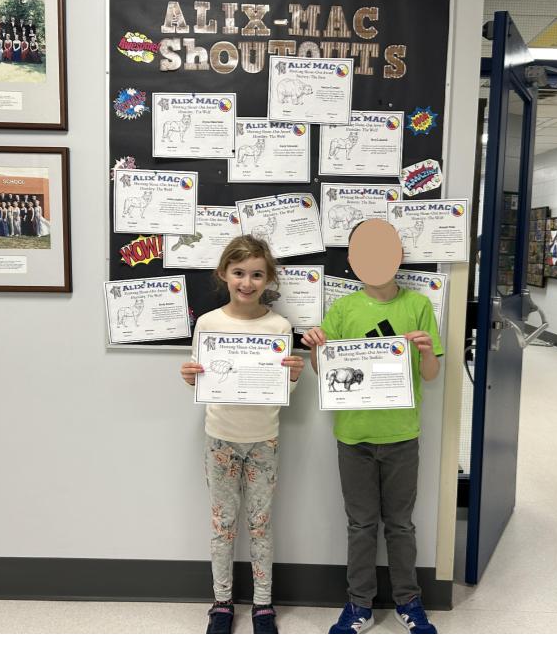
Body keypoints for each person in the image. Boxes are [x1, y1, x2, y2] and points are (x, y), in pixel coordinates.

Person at [301, 219, 443, 635]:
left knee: (401, 524)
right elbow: (324, 372)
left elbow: (431, 374)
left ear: (398, 256)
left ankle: (409, 601)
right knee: (361, 524)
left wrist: (424, 351)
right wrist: (316, 349)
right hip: (353, 436)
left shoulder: (418, 305)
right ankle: (358, 604)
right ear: (352, 260)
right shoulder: (343, 308)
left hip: (402, 435)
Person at [179, 235, 304, 635]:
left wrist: (295, 377)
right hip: (220, 438)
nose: (246, 282)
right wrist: (189, 377)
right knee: (223, 523)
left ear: (268, 279)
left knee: (262, 523)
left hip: (264, 438)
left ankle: (263, 604)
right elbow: (204, 380)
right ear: (223, 274)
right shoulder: (209, 323)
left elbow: (283, 390)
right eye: (238, 273)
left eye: (256, 274)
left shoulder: (279, 325)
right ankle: (221, 602)